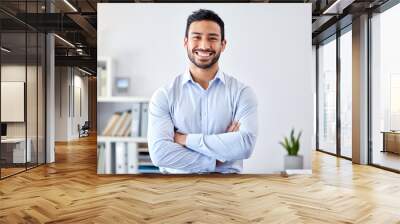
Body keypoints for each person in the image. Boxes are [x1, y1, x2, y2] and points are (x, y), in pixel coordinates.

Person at [148, 9, 258, 174]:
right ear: (186, 42)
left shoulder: (242, 93)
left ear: (223, 44)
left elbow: (245, 145)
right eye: (197, 37)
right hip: (175, 190)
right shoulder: (164, 95)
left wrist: (184, 139)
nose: (204, 45)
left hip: (227, 189)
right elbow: (160, 154)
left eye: (212, 38)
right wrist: (217, 158)